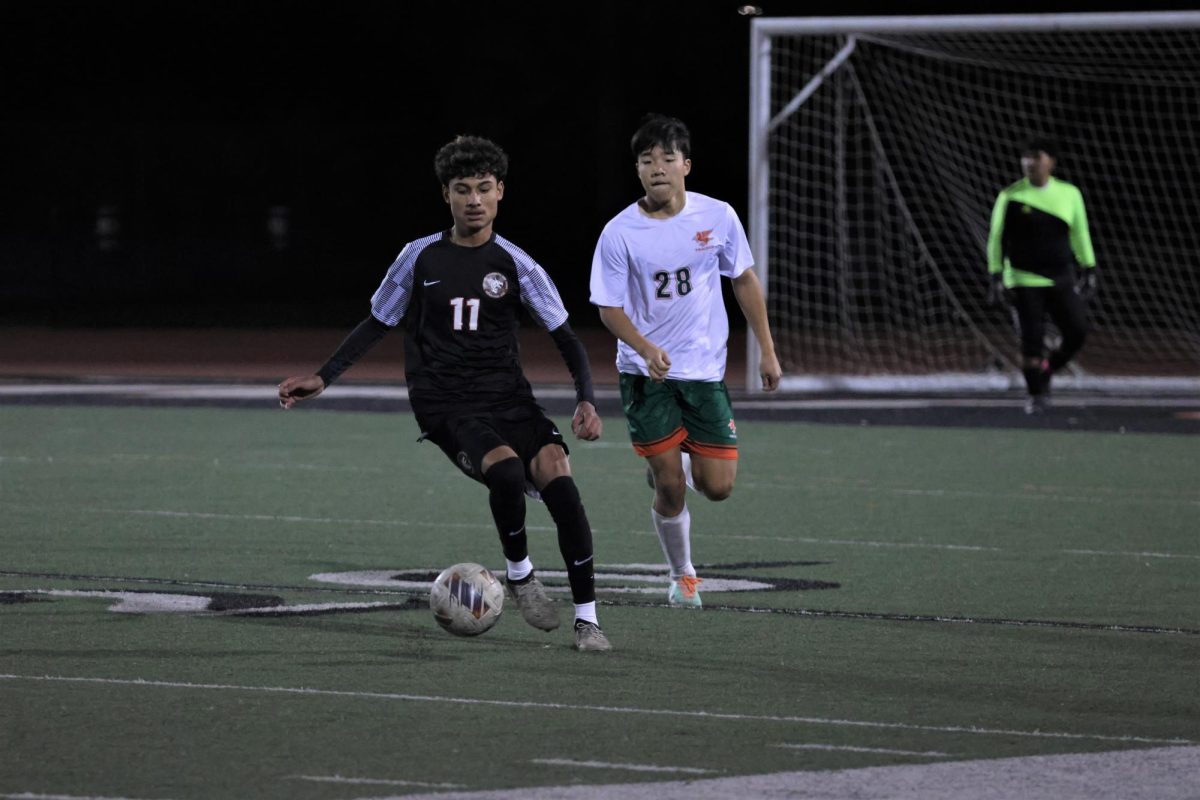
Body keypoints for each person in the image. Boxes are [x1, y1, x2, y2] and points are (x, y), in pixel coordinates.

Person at [278, 135, 611, 652]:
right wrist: (325, 376)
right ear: (446, 196)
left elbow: (567, 338)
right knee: (504, 471)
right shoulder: (418, 257)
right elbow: (377, 321)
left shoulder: (518, 265)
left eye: (483, 188)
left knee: (563, 491)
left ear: (500, 192)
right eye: (462, 190)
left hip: (509, 398)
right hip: (445, 404)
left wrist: (586, 399)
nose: (473, 200)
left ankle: (588, 621)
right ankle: (521, 576)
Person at [588, 113, 782, 609]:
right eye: (647, 160)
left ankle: (667, 462)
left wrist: (767, 350)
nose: (657, 168)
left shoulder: (717, 217)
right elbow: (608, 307)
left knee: (717, 488)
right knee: (672, 487)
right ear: (637, 170)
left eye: (667, 158)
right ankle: (683, 575)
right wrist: (645, 347)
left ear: (686, 165)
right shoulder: (618, 233)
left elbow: (743, 279)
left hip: (703, 373)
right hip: (644, 375)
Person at [986, 137, 1097, 414]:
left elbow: (1080, 232)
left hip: (1061, 277)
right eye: (1026, 157)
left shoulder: (1069, 194)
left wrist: (1090, 268)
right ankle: (1036, 393)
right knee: (1031, 339)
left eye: (1036, 156)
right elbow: (996, 239)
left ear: (1051, 161)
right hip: (1023, 279)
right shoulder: (1010, 196)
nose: (1029, 162)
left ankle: (1048, 370)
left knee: (1077, 331)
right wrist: (996, 277)